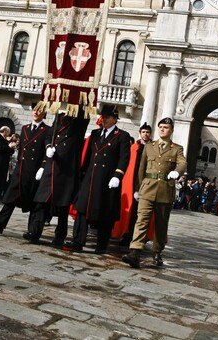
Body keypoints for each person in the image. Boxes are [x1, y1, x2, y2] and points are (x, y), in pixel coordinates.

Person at [122, 117, 186, 268]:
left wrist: (177, 172)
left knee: (161, 224)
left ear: (171, 130)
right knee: (142, 220)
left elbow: (183, 162)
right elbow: (141, 169)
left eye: (166, 127)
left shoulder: (177, 148)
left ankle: (157, 252)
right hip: (147, 189)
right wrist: (138, 188)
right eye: (161, 127)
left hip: (165, 190)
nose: (163, 129)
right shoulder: (149, 147)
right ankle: (135, 251)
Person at [66, 105, 130, 254]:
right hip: (91, 177)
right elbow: (88, 157)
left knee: (105, 213)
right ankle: (77, 241)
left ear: (115, 119)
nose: (105, 119)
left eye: (108, 117)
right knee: (82, 209)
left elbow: (124, 158)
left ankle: (101, 245)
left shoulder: (122, 136)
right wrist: (82, 176)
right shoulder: (95, 134)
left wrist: (118, 175)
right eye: (104, 116)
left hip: (107, 179)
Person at [29, 109, 90, 246]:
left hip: (66, 169)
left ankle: (59, 237)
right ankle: (35, 232)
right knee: (41, 202)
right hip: (52, 166)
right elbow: (49, 134)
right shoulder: (60, 116)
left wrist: (80, 99)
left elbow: (84, 114)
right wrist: (48, 147)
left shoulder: (80, 120)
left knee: (62, 206)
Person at [0, 104, 50, 235]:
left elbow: (46, 151)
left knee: (34, 201)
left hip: (34, 171)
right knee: (10, 198)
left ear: (44, 113)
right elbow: (22, 149)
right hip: (21, 169)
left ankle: (33, 232)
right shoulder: (25, 128)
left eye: (40, 110)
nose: (36, 112)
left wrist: (43, 167)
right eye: (35, 109)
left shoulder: (47, 130)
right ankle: (0, 224)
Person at [113, 122, 153, 248]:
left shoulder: (152, 148)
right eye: (143, 132)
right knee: (130, 212)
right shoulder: (134, 148)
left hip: (146, 185)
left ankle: (140, 237)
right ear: (140, 133)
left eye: (147, 132)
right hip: (131, 184)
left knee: (142, 214)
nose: (145, 134)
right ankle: (127, 235)